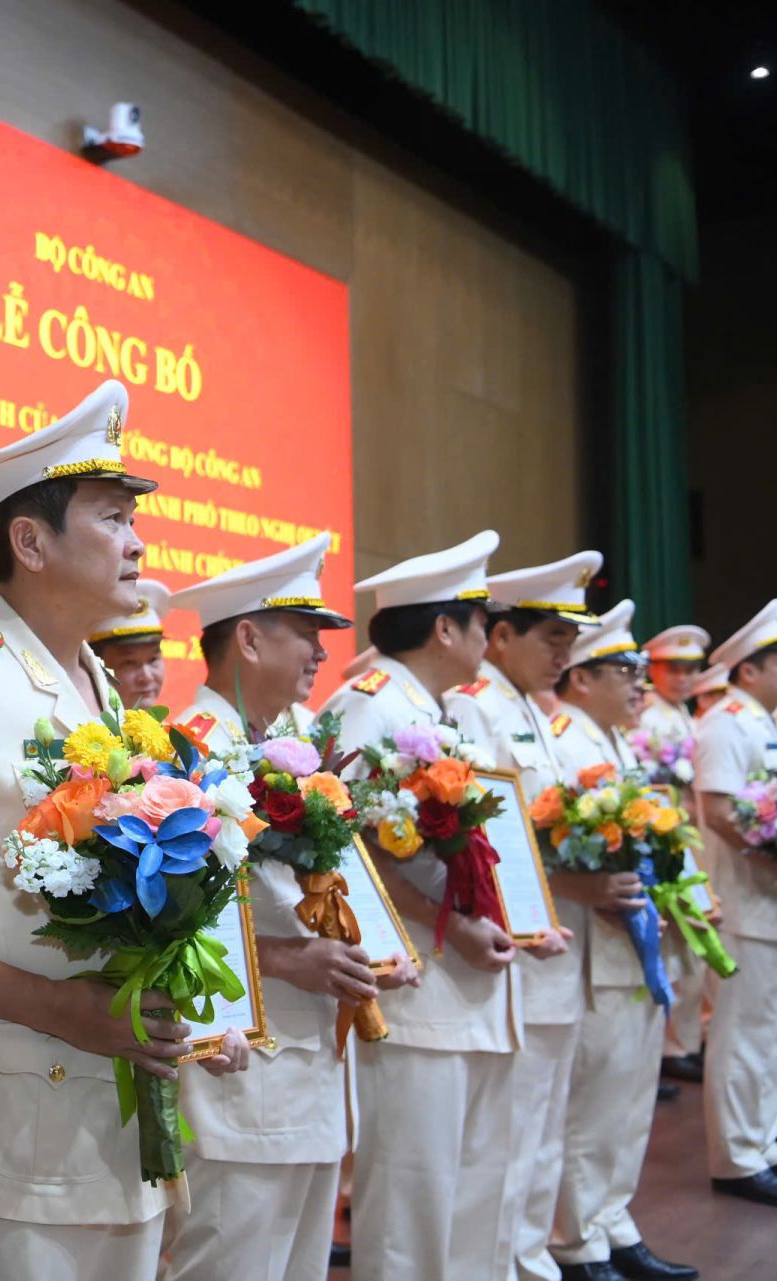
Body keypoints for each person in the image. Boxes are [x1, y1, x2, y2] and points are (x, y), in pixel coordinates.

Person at [0, 380, 247, 1281]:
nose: (137, 541)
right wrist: (61, 1010)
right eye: (111, 516)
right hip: (12, 1133)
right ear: (30, 542)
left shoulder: (105, 694)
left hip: (119, 1127)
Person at [158, 534, 418, 1281]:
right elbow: (170, 924)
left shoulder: (294, 745)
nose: (318, 652)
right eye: (304, 633)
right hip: (240, 1064)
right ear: (246, 636)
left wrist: (376, 946)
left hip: (312, 1062)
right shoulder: (189, 752)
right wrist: (285, 960)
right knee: (231, 1260)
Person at [317, 530, 518, 1281]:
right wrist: (457, 925)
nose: (488, 635)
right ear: (444, 628)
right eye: (478, 619)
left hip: (464, 975)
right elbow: (350, 850)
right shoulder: (370, 706)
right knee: (411, 1195)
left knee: (469, 1186)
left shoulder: (440, 708)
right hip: (417, 981)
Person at [444, 552, 591, 1281]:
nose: (564, 655)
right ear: (499, 635)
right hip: (513, 943)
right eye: (550, 638)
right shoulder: (476, 705)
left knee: (542, 1121)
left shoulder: (536, 711)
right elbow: (483, 835)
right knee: (505, 1133)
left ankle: (530, 1255)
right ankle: (504, 1262)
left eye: (570, 643)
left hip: (556, 940)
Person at [545, 602, 697, 1281]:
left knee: (631, 1095)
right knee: (595, 1099)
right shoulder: (561, 740)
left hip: (633, 945)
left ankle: (613, 1218)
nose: (640, 682)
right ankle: (577, 1237)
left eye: (640, 669)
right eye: (624, 669)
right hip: (589, 949)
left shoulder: (613, 740)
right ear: (580, 678)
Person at [695, 600, 777, 1208]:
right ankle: (737, 1156)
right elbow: (721, 814)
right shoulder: (728, 721)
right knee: (744, 1033)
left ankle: (766, 1140)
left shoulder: (776, 724)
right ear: (747, 671)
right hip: (751, 903)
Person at [640, 625, 713, 1083]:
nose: (684, 678)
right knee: (666, 942)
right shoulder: (648, 715)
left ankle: (681, 1041)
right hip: (665, 838)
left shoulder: (682, 714)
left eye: (691, 669)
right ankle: (666, 1048)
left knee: (687, 947)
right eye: (675, 668)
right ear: (655, 669)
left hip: (688, 834)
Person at [90, 579, 171, 709]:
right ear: (97, 667)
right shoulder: (85, 728)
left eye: (153, 660)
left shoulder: (162, 728)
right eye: (129, 663)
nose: (147, 677)